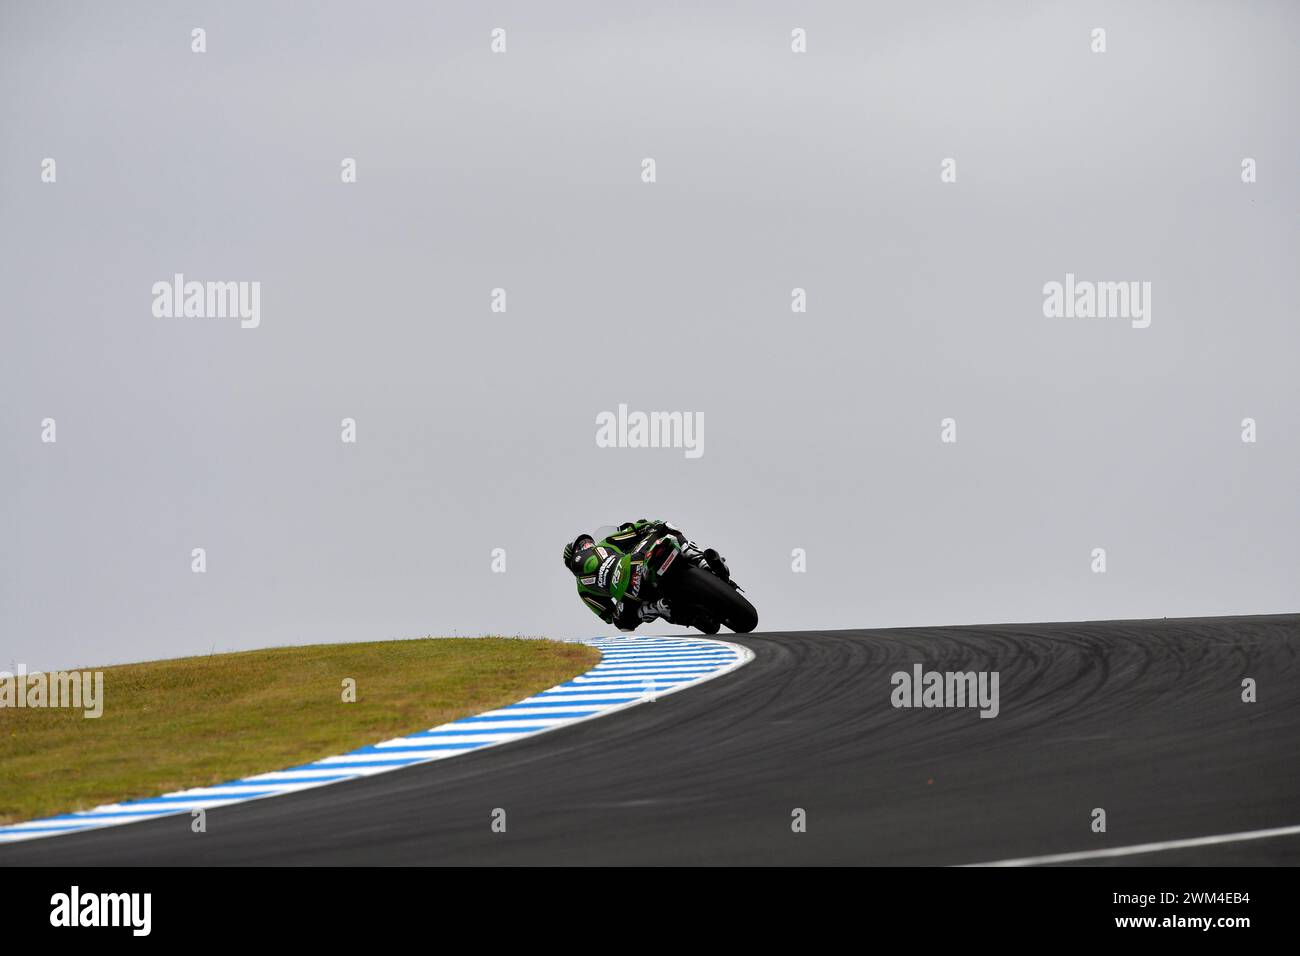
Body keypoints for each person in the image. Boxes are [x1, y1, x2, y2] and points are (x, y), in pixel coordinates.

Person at [561, 519, 728, 631]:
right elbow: (637, 529)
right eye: (584, 544)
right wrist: (645, 525)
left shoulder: (582, 589)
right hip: (635, 563)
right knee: (664, 525)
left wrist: (627, 607)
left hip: (630, 593)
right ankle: (697, 557)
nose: (588, 546)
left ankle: (657, 608)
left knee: (621, 623)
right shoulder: (606, 543)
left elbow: (608, 615)